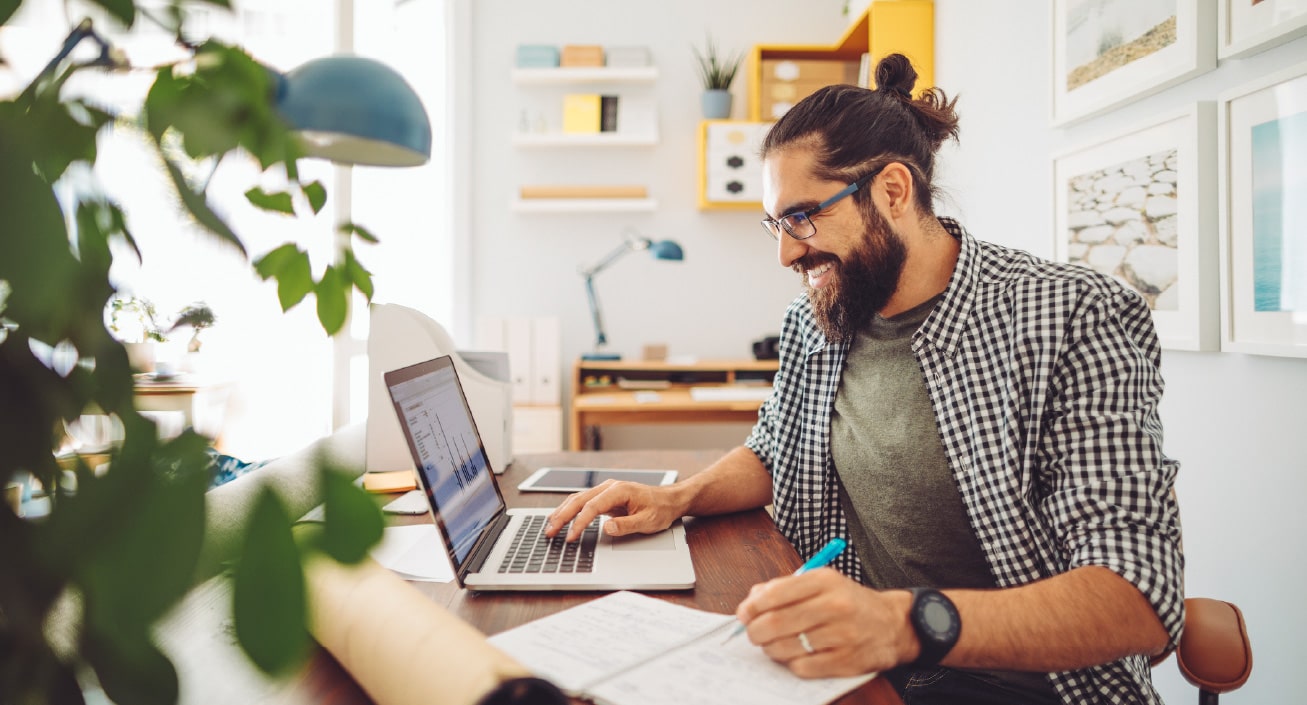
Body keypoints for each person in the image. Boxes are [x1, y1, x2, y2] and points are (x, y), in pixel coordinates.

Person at [545, 54, 1183, 705]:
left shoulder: (1073, 314)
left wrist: (901, 623)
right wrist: (677, 497)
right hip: (861, 661)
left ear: (893, 191)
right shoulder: (820, 315)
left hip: (1023, 683)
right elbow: (774, 448)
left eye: (801, 217)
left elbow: (1135, 594)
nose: (785, 252)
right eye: (775, 223)